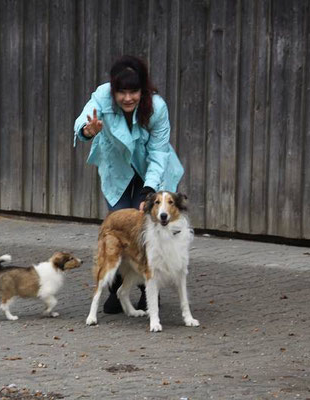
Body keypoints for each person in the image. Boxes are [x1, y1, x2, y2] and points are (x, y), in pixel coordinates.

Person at [73, 55, 184, 313]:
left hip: (151, 171)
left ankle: (148, 290)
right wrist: (87, 131)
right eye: (121, 92)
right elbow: (81, 122)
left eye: (133, 92)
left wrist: (150, 189)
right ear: (114, 90)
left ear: (142, 90)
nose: (127, 98)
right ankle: (116, 289)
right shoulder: (101, 97)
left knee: (147, 229)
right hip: (117, 170)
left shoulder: (157, 107)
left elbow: (158, 152)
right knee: (119, 227)